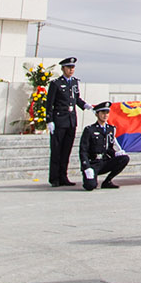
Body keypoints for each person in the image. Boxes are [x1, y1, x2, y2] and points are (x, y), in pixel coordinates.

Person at [44, 57, 84, 187]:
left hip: (71, 121)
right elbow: (49, 104)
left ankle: (63, 176)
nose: (71, 70)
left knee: (66, 151)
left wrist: (87, 106)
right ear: (63, 69)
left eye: (73, 68)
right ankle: (54, 178)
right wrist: (49, 120)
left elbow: (77, 99)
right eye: (68, 68)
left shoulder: (74, 83)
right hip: (59, 121)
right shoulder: (56, 84)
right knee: (56, 151)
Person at [80, 104, 129, 190]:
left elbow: (109, 148)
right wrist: (86, 167)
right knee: (90, 186)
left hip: (104, 161)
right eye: (103, 113)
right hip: (93, 163)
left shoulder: (111, 129)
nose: (105, 115)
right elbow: (83, 150)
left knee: (124, 158)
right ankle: (90, 178)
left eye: (107, 113)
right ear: (97, 114)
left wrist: (116, 154)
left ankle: (107, 181)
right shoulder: (90, 130)